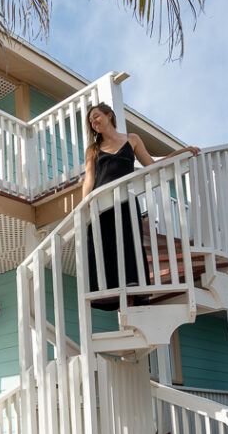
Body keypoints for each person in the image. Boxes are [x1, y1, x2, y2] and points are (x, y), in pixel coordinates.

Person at [81, 103, 199, 307]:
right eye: (90, 121)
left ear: (110, 116)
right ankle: (114, 299)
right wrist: (84, 209)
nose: (93, 122)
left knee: (130, 245)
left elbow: (151, 166)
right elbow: (89, 180)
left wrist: (178, 154)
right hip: (101, 208)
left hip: (126, 203)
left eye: (96, 117)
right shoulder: (93, 149)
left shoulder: (132, 139)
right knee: (106, 250)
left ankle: (133, 294)